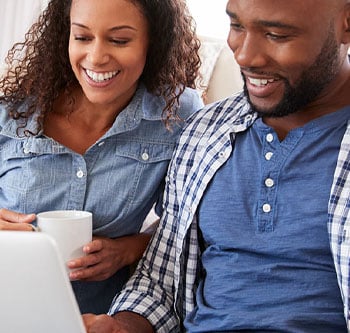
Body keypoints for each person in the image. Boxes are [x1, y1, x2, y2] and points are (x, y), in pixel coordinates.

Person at [82, 0, 350, 332]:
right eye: (237, 26)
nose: (245, 55)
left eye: (276, 34)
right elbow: (161, 281)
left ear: (345, 24)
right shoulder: (206, 131)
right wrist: (122, 326)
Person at [0, 0, 203, 315]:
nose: (95, 57)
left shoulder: (175, 115)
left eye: (119, 40)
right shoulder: (12, 111)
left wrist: (128, 250)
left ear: (154, 41)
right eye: (82, 37)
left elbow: (187, 227)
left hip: (97, 318)